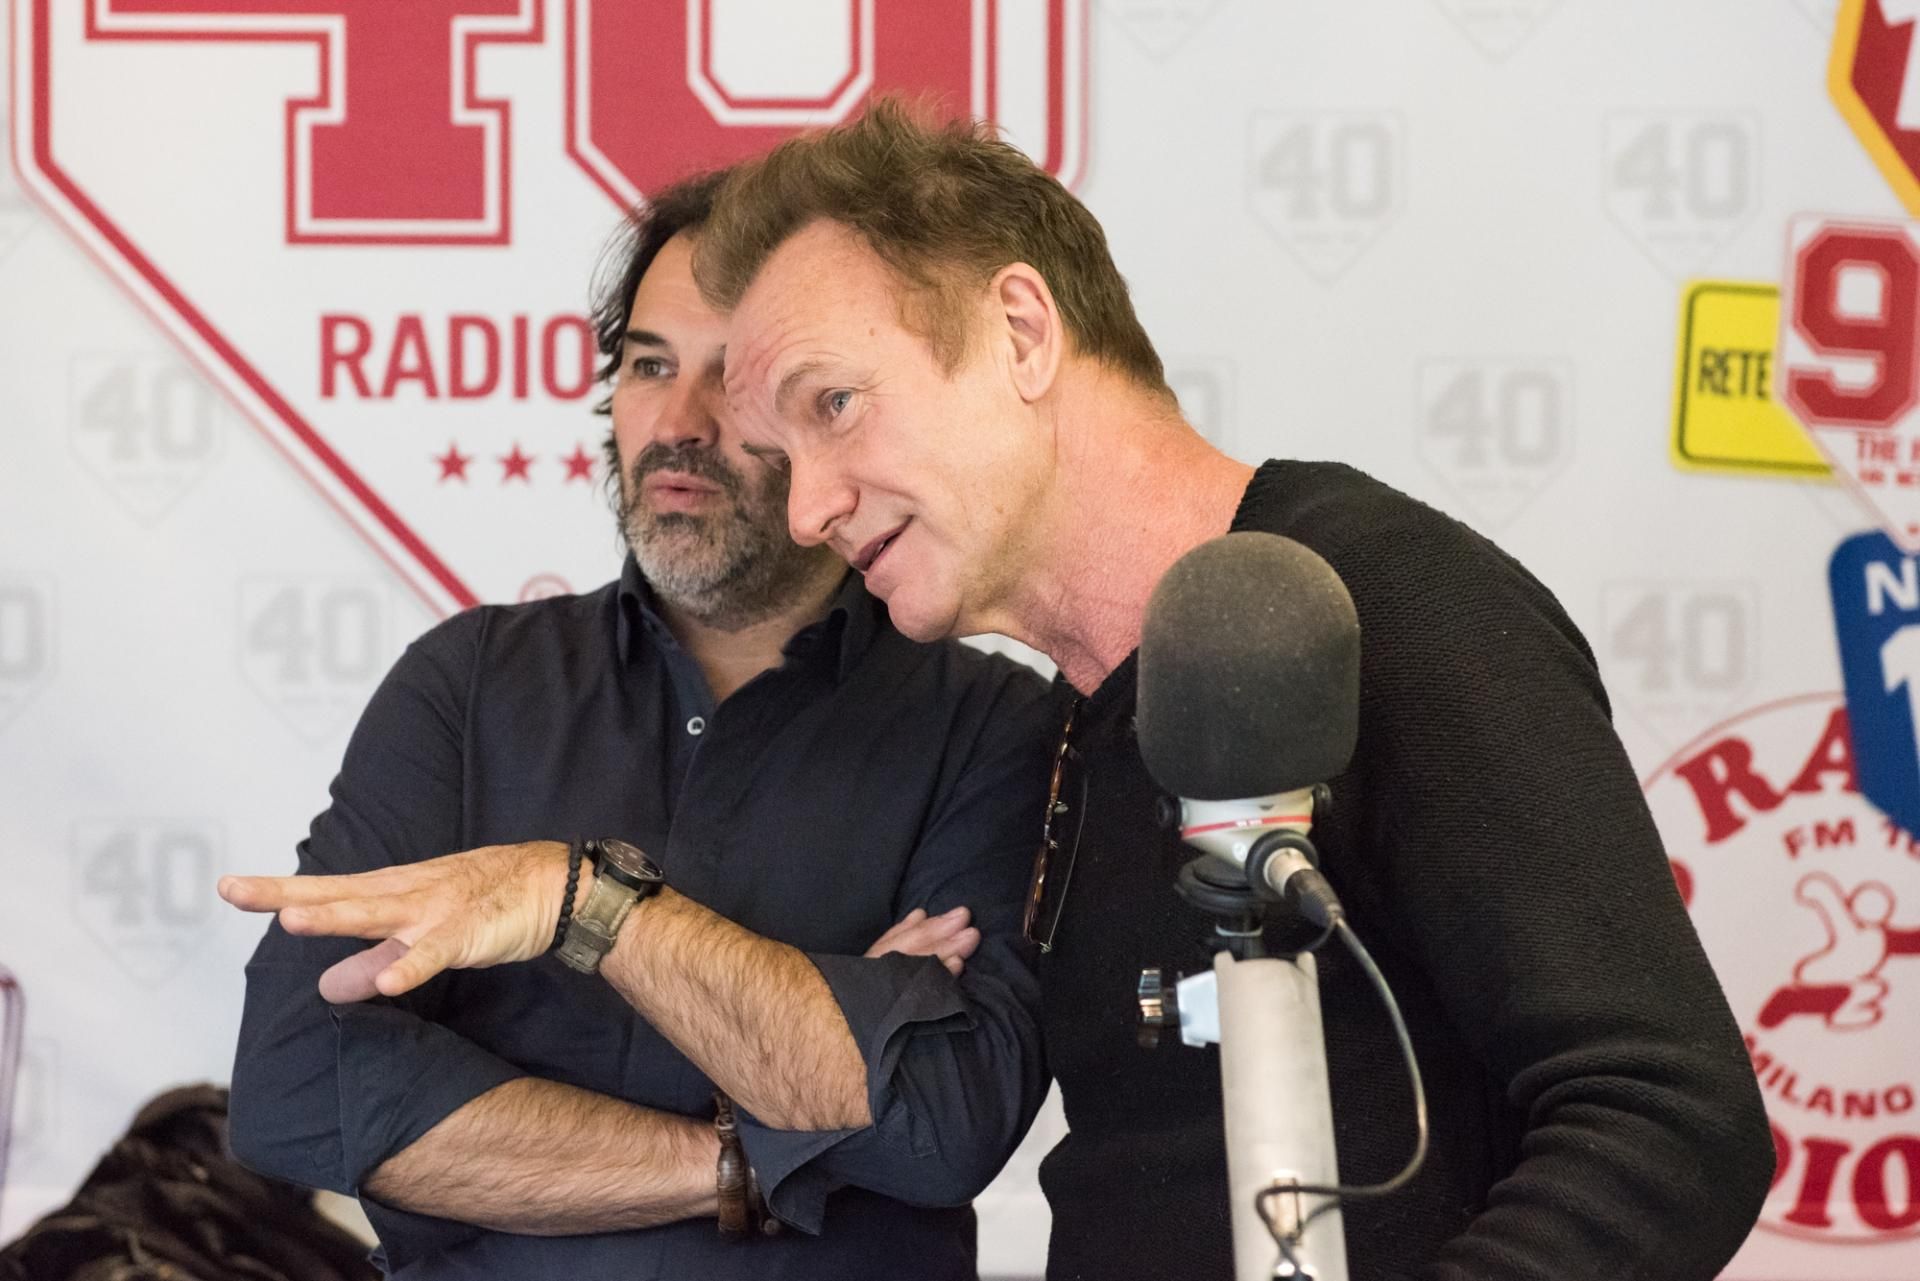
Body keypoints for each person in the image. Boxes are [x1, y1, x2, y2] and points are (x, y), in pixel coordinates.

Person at [687, 102, 1778, 1281]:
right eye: (784, 463)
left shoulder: (1383, 601)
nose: (809, 510)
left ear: (1021, 333)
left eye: (835, 405)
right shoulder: (1076, 729)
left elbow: (1670, 1119)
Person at [220, 170, 1054, 1281]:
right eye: (650, 365)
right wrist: (758, 1146)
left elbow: (942, 1122)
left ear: (831, 411)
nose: (678, 424)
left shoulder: (995, 726)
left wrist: (576, 904)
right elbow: (293, 1088)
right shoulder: (468, 686)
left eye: (736, 380)